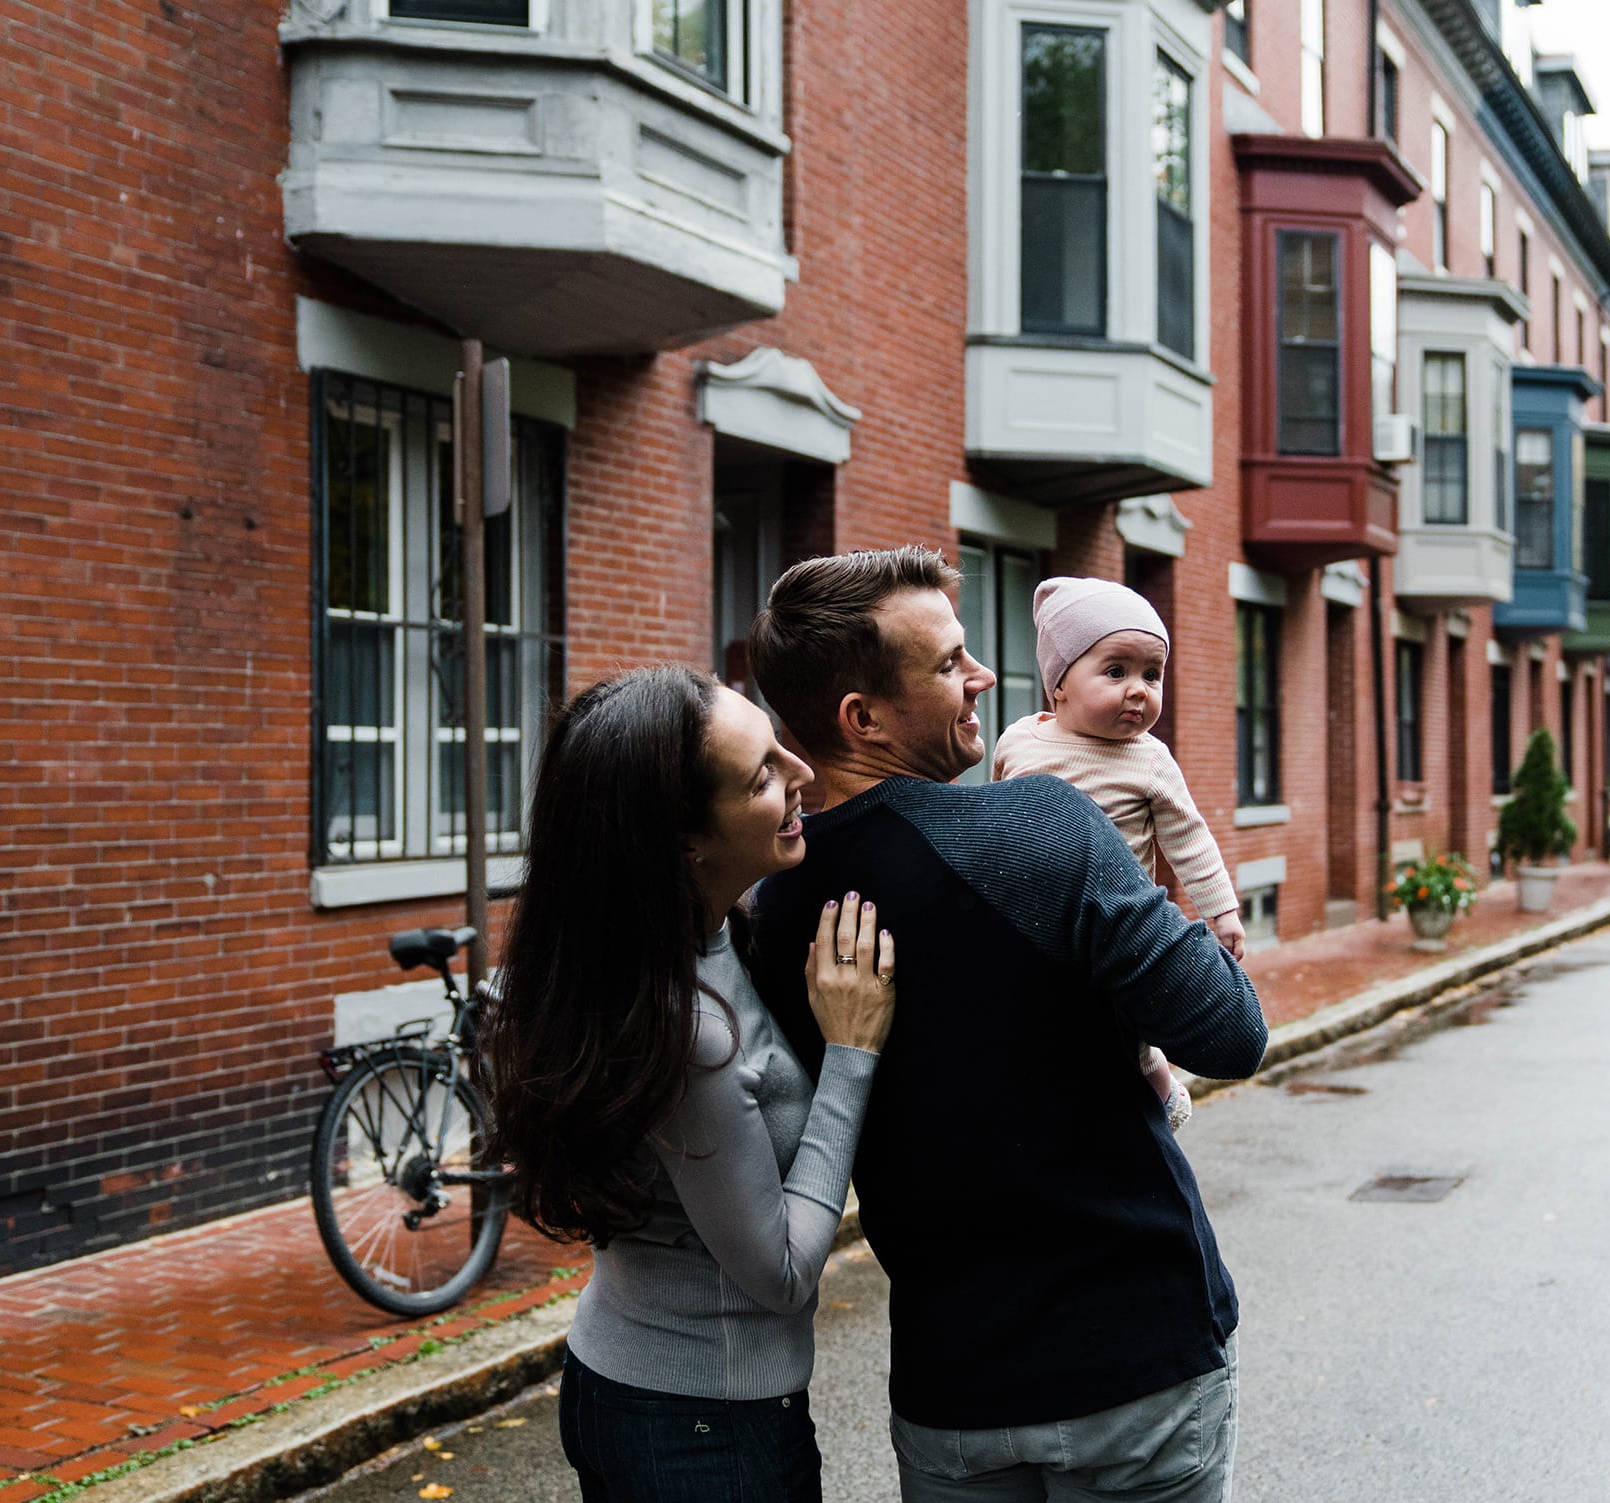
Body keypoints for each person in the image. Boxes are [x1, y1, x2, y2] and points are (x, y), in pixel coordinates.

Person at [745, 546, 1268, 1502]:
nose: (983, 673)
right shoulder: (1045, 825)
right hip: (1136, 1360)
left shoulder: (770, 907)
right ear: (859, 718)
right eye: (946, 663)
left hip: (957, 1388)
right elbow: (1231, 1031)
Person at [479, 665, 896, 1503]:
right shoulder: (686, 1034)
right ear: (685, 842)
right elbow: (780, 1272)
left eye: (780, 745)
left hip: (631, 1383)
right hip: (704, 1427)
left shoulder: (644, 956)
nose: (802, 774)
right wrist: (853, 1051)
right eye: (763, 776)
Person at [991, 575, 1246, 1131]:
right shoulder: (1018, 743)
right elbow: (997, 819)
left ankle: (1158, 1083)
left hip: (1117, 919)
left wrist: (1220, 911)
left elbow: (1189, 837)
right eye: (1116, 671)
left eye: (1152, 675)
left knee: (1123, 1016)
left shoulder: (1148, 759)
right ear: (1058, 683)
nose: (1139, 689)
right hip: (1034, 917)